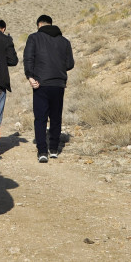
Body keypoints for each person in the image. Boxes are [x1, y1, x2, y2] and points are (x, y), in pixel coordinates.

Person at [23, 14, 74, 163]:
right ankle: (54, 149)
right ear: (51, 24)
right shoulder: (64, 41)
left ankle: (42, 152)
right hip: (58, 83)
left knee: (40, 118)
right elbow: (70, 64)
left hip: (40, 83)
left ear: (39, 25)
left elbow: (28, 58)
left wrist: (30, 76)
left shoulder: (34, 38)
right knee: (56, 117)